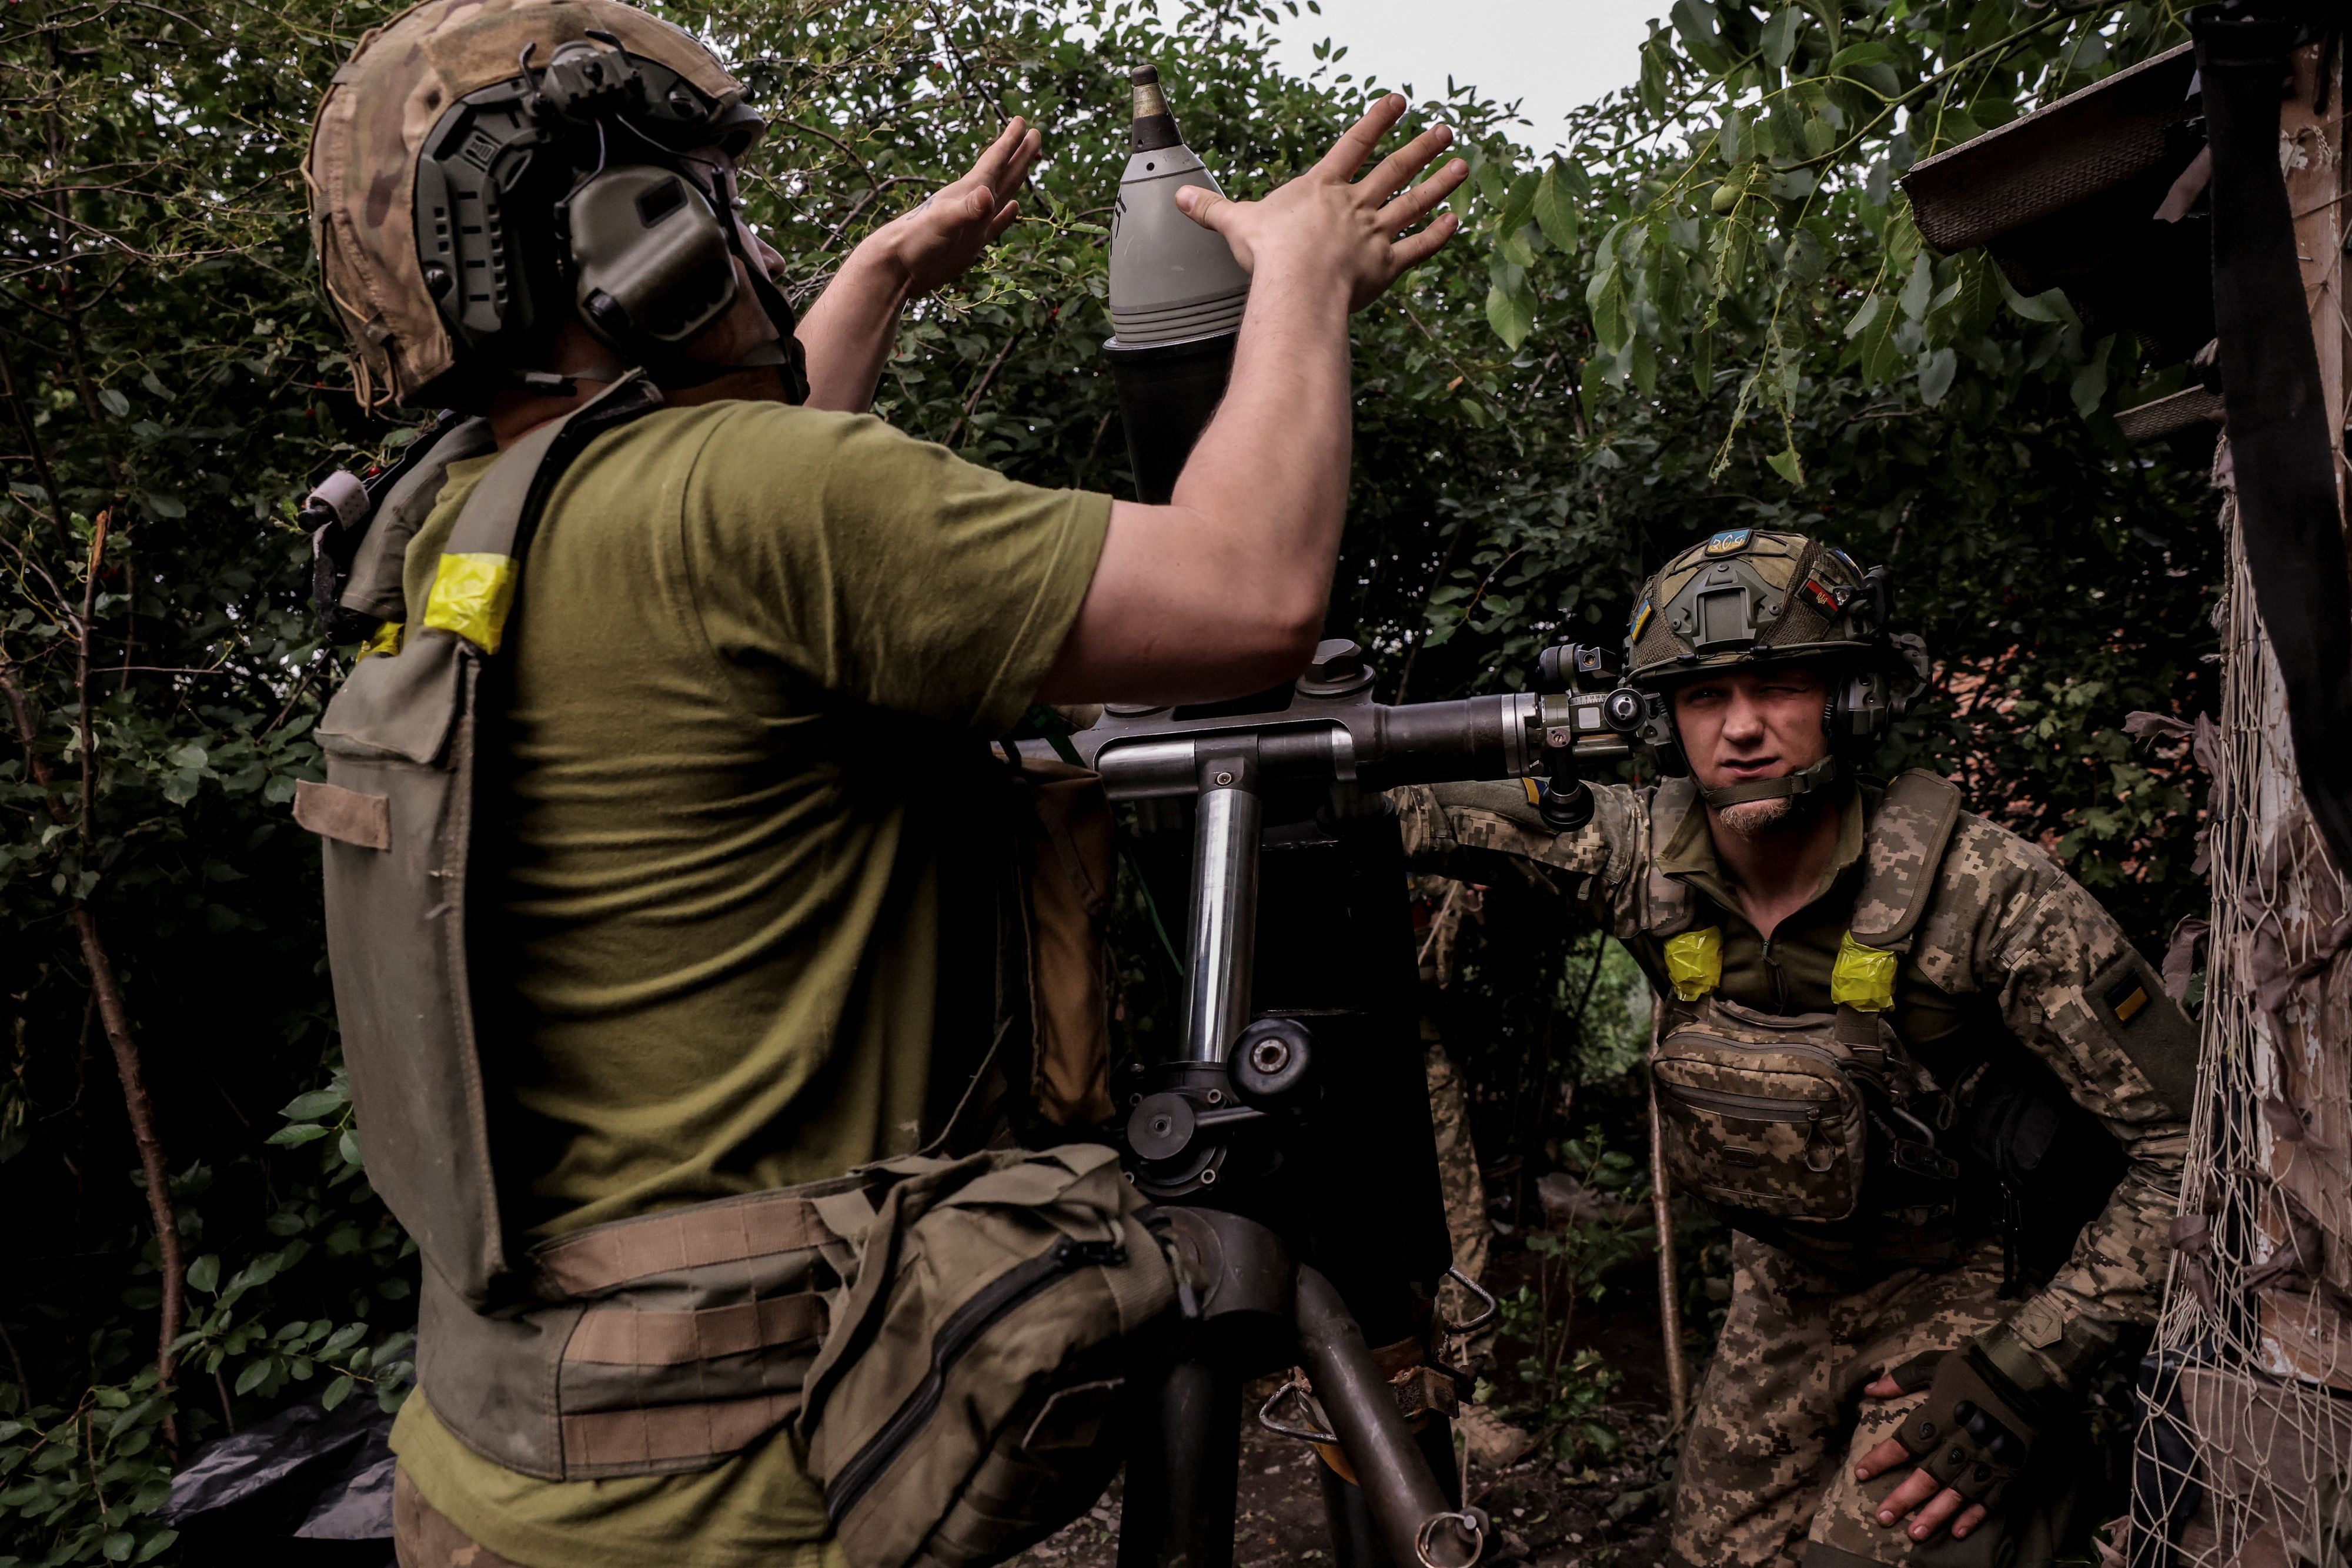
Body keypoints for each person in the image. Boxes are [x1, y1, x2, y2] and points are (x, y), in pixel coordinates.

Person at [299, 3, 1466, 1564]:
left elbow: (748, 547)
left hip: (499, 1466)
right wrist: (1304, 281)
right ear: (624, 233)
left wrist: (880, 279)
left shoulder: (447, 529)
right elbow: (1247, 589)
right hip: (738, 1495)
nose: (752, 242)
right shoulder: (752, 503)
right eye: (716, 201)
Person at [1388, 528, 2194, 1568]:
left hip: (1960, 1286)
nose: (1743, 730)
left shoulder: (1983, 890)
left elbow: (2185, 1155)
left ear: (1851, 700)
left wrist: (2031, 1372)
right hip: (1782, 1295)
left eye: (1780, 686)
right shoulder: (1640, 858)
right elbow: (1404, 809)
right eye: (1703, 697)